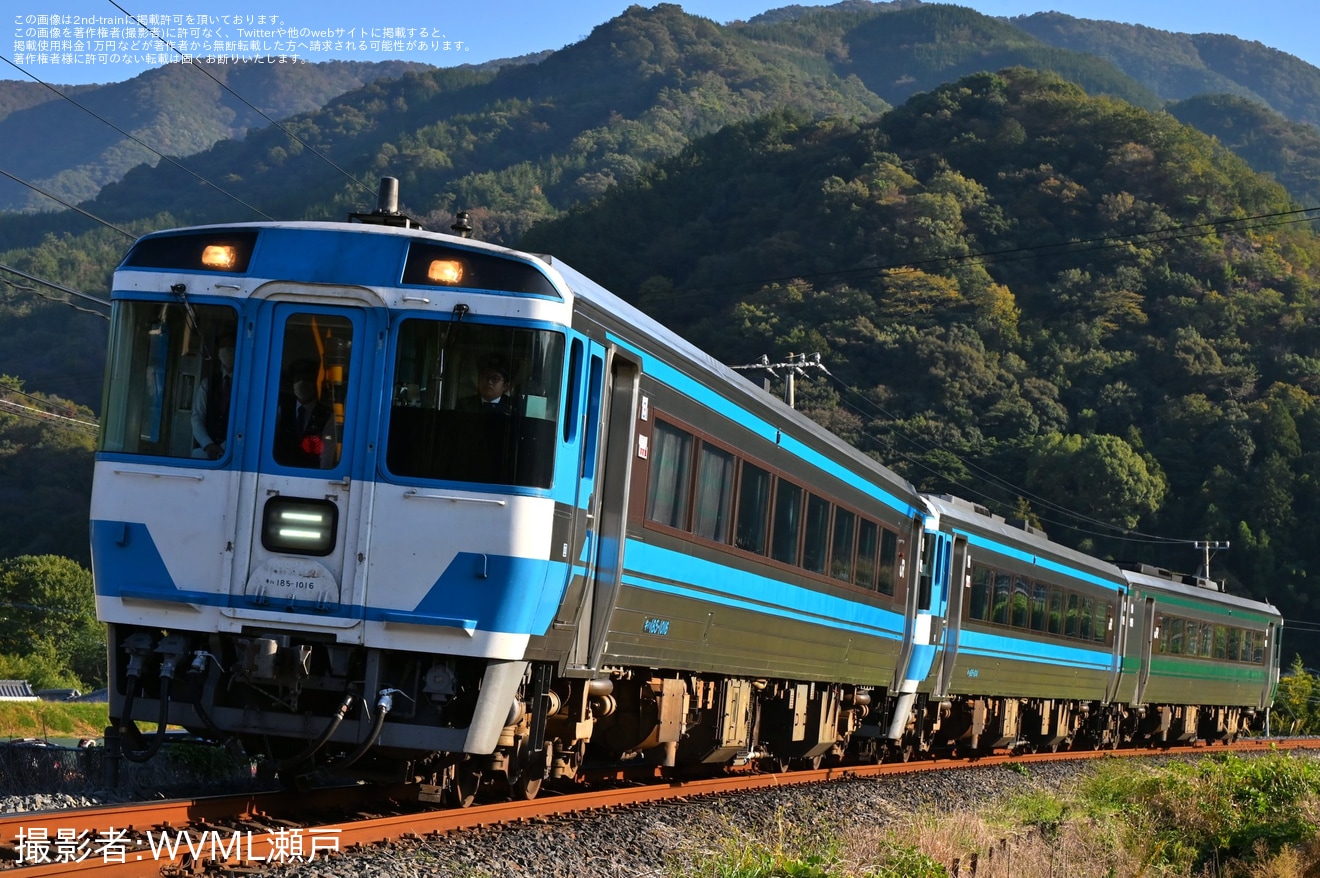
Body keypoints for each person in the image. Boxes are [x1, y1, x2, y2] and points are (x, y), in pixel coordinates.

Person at [274, 359, 334, 468]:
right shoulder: (282, 408)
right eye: (298, 379)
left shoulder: (327, 415)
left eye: (307, 379)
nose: (302, 383)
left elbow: (326, 457)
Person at [191, 334, 236, 459]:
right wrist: (208, 444)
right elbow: (197, 417)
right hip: (204, 452)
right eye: (223, 346)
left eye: (231, 346)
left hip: (233, 453)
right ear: (218, 352)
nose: (227, 350)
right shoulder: (207, 383)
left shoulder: (246, 386)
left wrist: (225, 447)